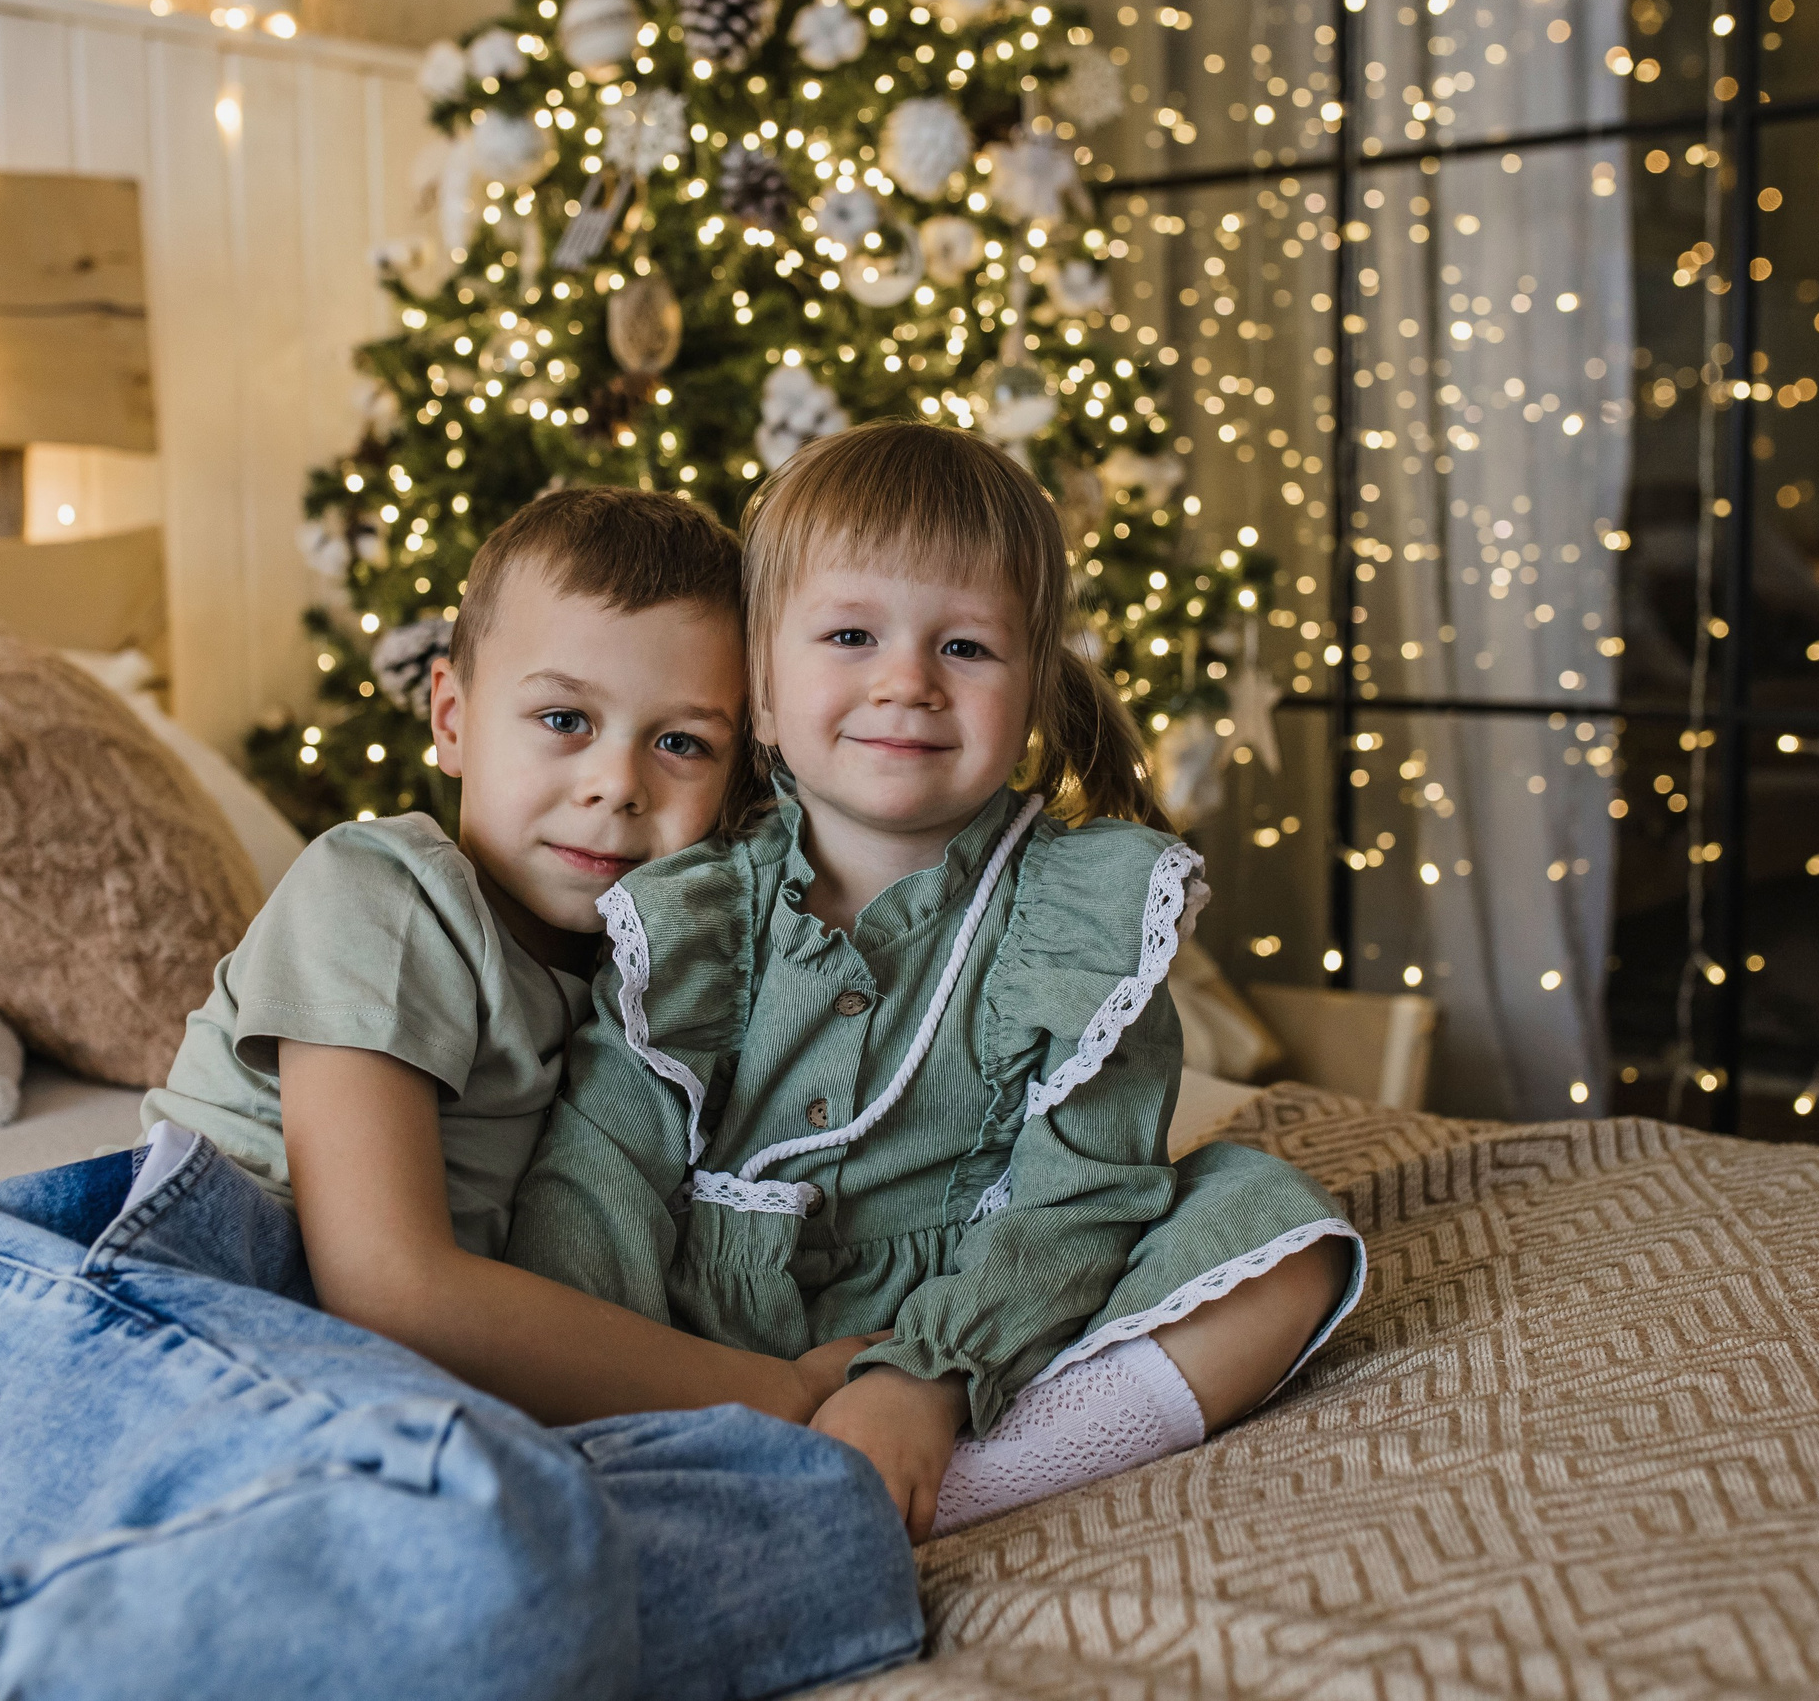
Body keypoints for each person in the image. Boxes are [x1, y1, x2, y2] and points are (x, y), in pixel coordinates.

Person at [0, 489, 921, 1701]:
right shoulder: (393, 889)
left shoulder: (659, 995)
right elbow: (388, 1285)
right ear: (453, 718)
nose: (616, 782)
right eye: (563, 717)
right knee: (498, 1518)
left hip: (303, 1470)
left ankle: (383, 1613)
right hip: (66, 1363)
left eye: (681, 741)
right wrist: (771, 1390)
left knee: (830, 1528)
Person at [506, 422, 1368, 1541]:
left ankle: (961, 1474)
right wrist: (636, 1382)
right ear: (762, 694)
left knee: (1282, 1237)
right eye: (853, 634)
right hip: (709, 1338)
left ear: (1033, 684)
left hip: (994, 1313)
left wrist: (929, 1372)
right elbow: (599, 1173)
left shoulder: (1088, 911)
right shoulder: (692, 907)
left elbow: (1086, 1196)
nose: (906, 681)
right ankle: (777, 1459)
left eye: (965, 647)